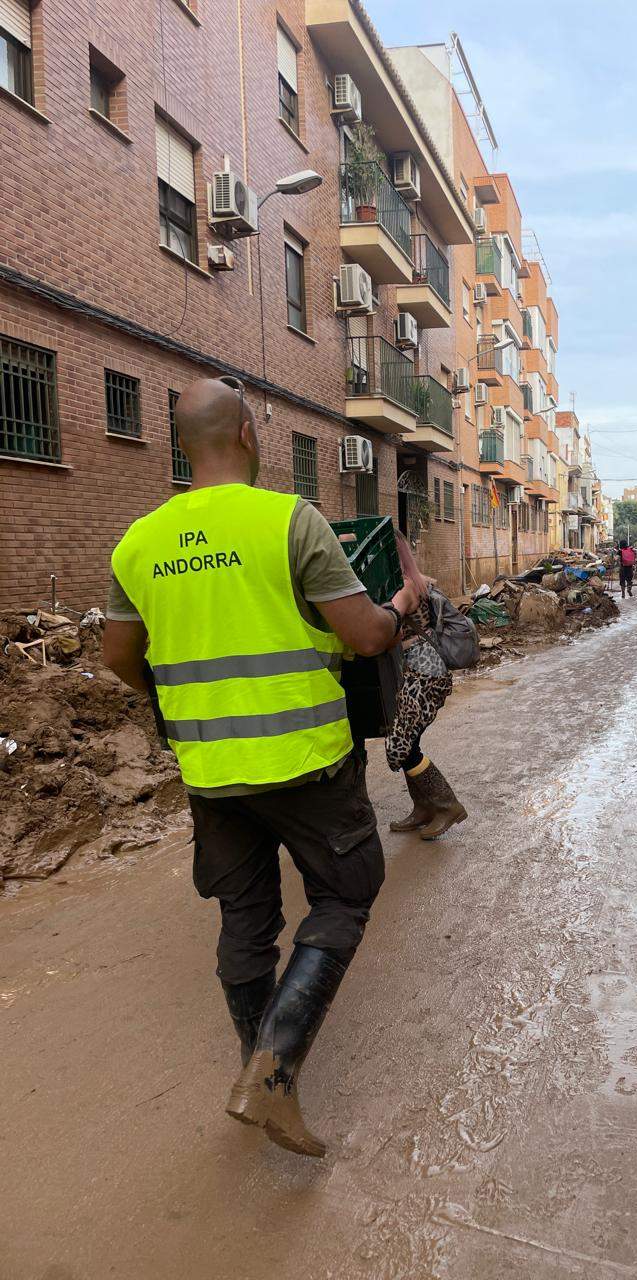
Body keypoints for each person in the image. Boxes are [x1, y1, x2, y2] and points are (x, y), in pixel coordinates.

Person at [102, 376, 419, 1159]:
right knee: (346, 893)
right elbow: (365, 635)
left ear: (181, 444)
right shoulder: (288, 520)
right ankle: (272, 1075)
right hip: (306, 761)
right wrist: (403, 604)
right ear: (248, 433)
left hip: (211, 771)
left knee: (245, 919)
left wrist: (190, 704)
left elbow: (120, 659)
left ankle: (258, 1064)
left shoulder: (138, 542)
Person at [387, 535, 465, 839]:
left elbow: (385, 626)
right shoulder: (419, 582)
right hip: (427, 670)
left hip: (423, 672)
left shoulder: (404, 590)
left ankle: (447, 805)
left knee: (400, 745)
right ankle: (423, 808)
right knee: (411, 743)